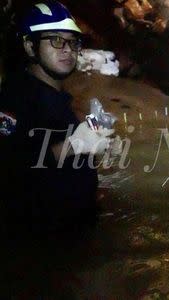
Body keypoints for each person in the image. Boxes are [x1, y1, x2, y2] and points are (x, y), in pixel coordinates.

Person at [0, 1, 114, 230]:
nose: (68, 50)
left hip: (74, 233)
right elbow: (9, 170)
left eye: (73, 42)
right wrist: (73, 145)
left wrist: (93, 142)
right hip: (42, 244)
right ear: (30, 46)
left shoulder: (56, 96)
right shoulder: (14, 99)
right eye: (56, 40)